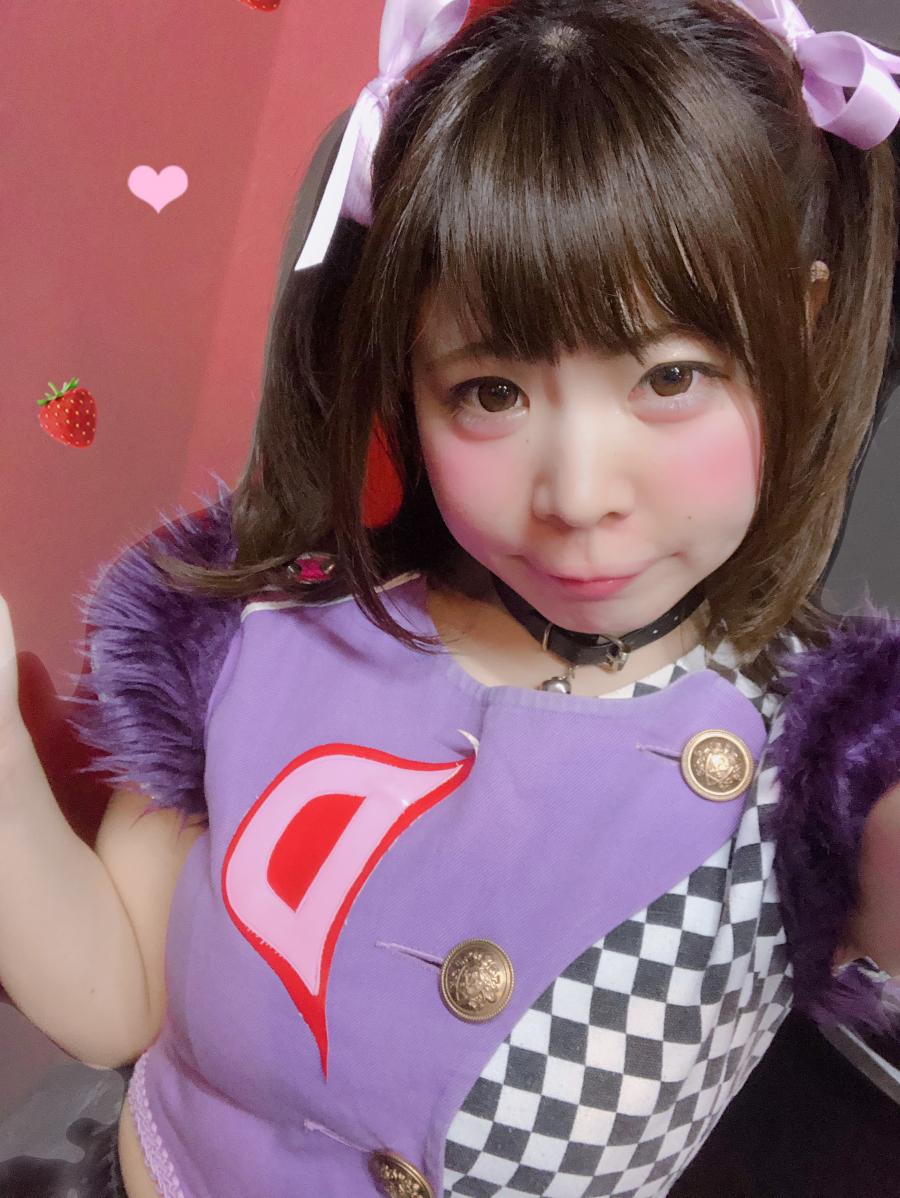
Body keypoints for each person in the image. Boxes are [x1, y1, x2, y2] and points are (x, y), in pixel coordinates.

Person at [1, 1, 900, 1195]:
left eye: (669, 376)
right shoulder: (249, 636)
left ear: (805, 318)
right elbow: (115, 1000)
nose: (578, 494)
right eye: (491, 392)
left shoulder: (833, 767)